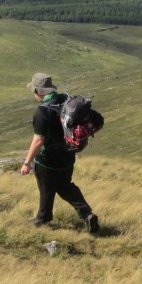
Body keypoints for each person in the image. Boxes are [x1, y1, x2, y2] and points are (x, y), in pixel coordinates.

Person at [20, 72, 100, 234]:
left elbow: (38, 140)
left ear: (38, 91)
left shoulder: (42, 111)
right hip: (68, 156)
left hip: (47, 160)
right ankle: (87, 214)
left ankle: (42, 219)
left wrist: (27, 163)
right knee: (65, 186)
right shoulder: (67, 101)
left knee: (46, 188)